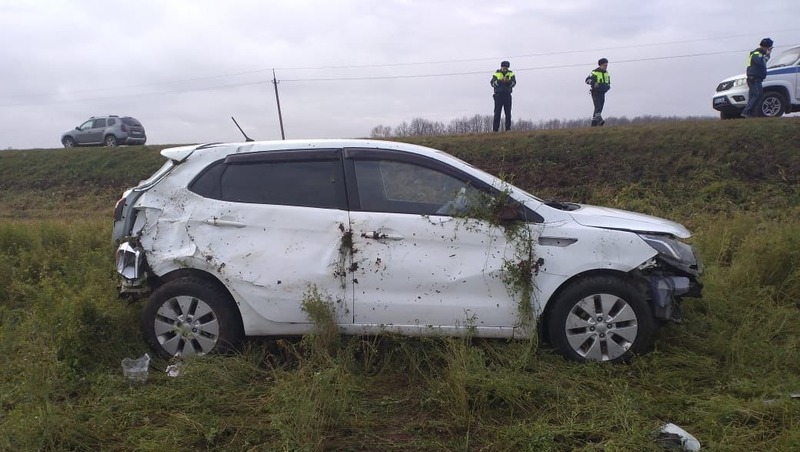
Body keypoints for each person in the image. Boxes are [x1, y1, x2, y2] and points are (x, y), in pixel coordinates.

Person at [741, 38, 774, 118]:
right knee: (757, 95)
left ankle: (749, 114)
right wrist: (768, 55)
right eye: (769, 48)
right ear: (766, 47)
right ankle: (746, 112)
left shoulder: (757, 53)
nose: (769, 49)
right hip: (755, 78)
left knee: (753, 96)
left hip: (753, 78)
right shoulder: (757, 53)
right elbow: (761, 62)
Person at [490, 60, 516, 132]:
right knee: (497, 113)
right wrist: (500, 81)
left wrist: (508, 81)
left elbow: (513, 84)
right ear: (501, 67)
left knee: (508, 113)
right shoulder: (496, 74)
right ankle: (495, 130)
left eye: (506, 68)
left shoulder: (511, 74)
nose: (505, 69)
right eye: (504, 67)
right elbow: (492, 84)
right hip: (498, 96)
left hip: (507, 95)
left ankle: (508, 129)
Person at [585, 58, 610, 126]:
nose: (606, 66)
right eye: (605, 65)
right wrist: (593, 83)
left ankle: (594, 124)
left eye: (606, 65)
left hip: (603, 92)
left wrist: (607, 87)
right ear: (601, 65)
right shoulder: (595, 72)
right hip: (595, 92)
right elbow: (587, 80)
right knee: (598, 107)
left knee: (599, 108)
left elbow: (608, 82)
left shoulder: (606, 73)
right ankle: (600, 121)